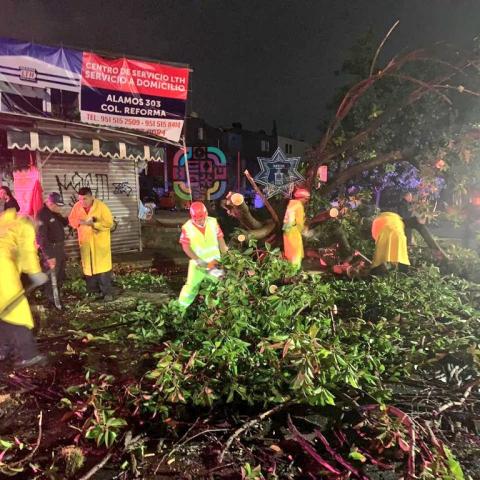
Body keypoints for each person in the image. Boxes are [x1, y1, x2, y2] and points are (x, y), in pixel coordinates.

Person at [0, 208, 48, 367]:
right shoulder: (25, 226)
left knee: (3, 311)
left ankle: (2, 349)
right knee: (17, 312)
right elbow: (28, 252)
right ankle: (28, 355)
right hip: (2, 269)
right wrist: (36, 273)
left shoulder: (6, 221)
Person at [178, 201, 228, 309]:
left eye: (202, 218)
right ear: (192, 217)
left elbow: (221, 240)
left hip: (214, 263)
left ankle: (211, 312)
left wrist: (227, 256)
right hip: (197, 264)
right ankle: (179, 310)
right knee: (190, 287)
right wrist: (197, 259)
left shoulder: (213, 222)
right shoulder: (187, 227)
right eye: (197, 219)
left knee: (215, 287)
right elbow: (186, 247)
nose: (200, 221)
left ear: (206, 215)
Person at [68, 187, 114, 301]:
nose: (82, 202)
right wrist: (80, 222)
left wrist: (94, 224)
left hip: (99, 245)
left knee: (103, 270)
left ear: (92, 197)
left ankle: (107, 293)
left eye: (85, 199)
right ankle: (92, 292)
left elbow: (109, 223)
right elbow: (72, 220)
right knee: (89, 270)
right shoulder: (77, 206)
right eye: (80, 199)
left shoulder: (101, 206)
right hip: (86, 243)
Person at [36, 192, 69, 307]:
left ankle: (57, 296)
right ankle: (52, 300)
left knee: (60, 274)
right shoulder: (42, 215)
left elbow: (65, 223)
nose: (59, 207)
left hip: (60, 248)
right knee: (51, 277)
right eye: (57, 205)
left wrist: (66, 215)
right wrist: (49, 256)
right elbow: (41, 238)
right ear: (49, 203)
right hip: (51, 250)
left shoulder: (55, 212)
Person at [283, 188, 311, 271]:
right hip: (293, 232)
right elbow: (299, 224)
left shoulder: (291, 204)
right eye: (306, 199)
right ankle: (293, 273)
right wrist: (305, 230)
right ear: (301, 197)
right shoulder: (299, 206)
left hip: (286, 231)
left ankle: (288, 272)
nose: (306, 201)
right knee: (296, 253)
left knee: (289, 252)